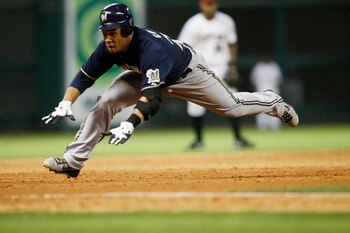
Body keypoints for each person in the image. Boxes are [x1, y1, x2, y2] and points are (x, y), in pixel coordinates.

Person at [42, 3, 299, 178]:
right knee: (106, 102)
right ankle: (73, 161)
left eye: (113, 31)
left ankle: (272, 102)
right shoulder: (108, 47)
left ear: (128, 29)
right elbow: (85, 76)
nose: (107, 37)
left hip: (189, 74)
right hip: (143, 76)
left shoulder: (151, 49)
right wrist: (66, 101)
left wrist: (131, 123)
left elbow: (152, 99)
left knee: (232, 108)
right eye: (104, 32)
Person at [178, 0, 253, 149]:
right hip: (199, 68)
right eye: (207, 4)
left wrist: (232, 66)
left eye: (212, 4)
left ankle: (238, 139)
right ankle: (199, 140)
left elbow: (233, 44)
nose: (209, 7)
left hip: (221, 67)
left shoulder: (226, 21)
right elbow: (183, 46)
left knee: (232, 100)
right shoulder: (193, 23)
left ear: (216, 5)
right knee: (194, 103)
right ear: (201, 5)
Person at [250, 55, 284, 130]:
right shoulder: (258, 67)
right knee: (261, 108)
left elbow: (279, 80)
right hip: (261, 90)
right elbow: (253, 81)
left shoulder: (275, 66)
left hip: (273, 91)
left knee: (275, 108)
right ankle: (262, 126)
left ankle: (275, 126)